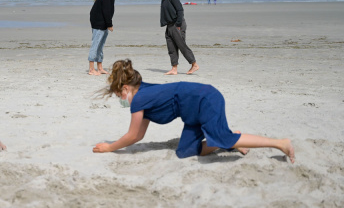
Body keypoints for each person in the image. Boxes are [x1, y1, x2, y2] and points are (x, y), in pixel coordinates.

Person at [93, 59, 295, 163]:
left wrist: (110, 147)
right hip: (192, 114)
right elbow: (139, 133)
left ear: (126, 89)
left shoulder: (139, 99)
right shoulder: (143, 93)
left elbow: (134, 135)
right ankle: (232, 138)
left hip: (205, 99)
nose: (120, 99)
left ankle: (279, 144)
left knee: (220, 137)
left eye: (119, 95)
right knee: (184, 152)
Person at [156, 0, 199, 75]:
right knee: (171, 47)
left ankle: (194, 64)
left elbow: (180, 9)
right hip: (169, 25)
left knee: (181, 45)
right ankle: (174, 68)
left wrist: (178, 24)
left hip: (176, 24)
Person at [88, 0, 123, 76]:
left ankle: (100, 67)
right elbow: (106, 9)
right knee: (96, 44)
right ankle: (91, 69)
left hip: (102, 21)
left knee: (100, 45)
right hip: (99, 21)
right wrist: (109, 24)